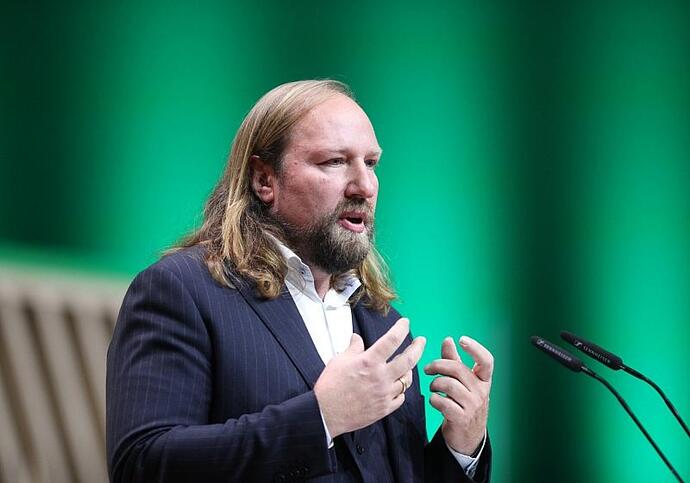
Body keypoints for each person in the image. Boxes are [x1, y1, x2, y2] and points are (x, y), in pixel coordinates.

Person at [106, 80, 494, 483]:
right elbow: (141, 464)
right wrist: (322, 417)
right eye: (334, 162)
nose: (364, 186)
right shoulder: (181, 291)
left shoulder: (383, 325)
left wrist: (462, 447)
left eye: (371, 163)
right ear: (264, 180)